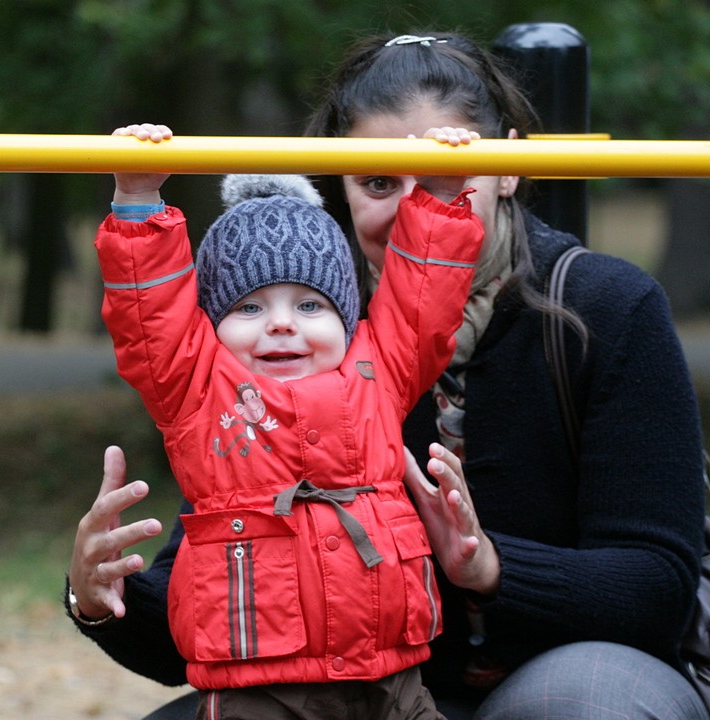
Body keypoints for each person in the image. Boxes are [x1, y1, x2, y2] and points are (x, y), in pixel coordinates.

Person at [67, 31, 708, 720]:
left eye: (438, 180)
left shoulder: (604, 309)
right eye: (378, 181)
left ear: (508, 168)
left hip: (577, 669)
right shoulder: (306, 335)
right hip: (362, 685)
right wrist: (100, 595)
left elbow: (655, 589)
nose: (410, 207)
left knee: (569, 706)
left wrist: (487, 566)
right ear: (340, 184)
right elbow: (215, 601)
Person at [82, 117, 486, 719]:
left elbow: (424, 299)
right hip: (260, 689)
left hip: (390, 681)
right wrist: (138, 198)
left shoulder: (380, 371)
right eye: (249, 307)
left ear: (347, 319)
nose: (280, 324)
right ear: (211, 326)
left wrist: (443, 193)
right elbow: (149, 313)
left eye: (309, 305)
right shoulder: (195, 386)